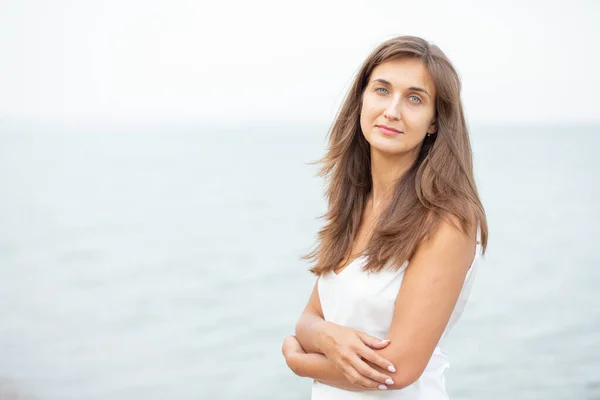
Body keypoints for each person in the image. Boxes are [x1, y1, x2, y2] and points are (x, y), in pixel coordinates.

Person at [281, 35, 488, 399]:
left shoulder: (448, 220)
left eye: (414, 98)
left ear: (434, 123)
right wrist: (329, 336)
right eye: (382, 90)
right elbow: (309, 318)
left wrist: (300, 362)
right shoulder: (357, 203)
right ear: (362, 99)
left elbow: (397, 369)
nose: (392, 110)